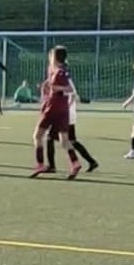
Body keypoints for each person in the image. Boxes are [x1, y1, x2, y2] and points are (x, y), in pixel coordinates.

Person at [30, 46, 82, 179]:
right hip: (63, 108)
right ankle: (75, 163)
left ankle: (40, 164)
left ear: (55, 57)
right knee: (64, 139)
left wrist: (54, 87)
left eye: (51, 55)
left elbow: (69, 88)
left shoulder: (59, 72)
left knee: (37, 136)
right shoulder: (59, 71)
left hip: (53, 107)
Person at [47, 90, 98, 173]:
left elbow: (71, 97)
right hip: (70, 117)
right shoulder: (68, 85)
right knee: (72, 141)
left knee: (50, 138)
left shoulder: (62, 84)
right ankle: (92, 162)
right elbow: (75, 97)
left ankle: (52, 166)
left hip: (64, 116)